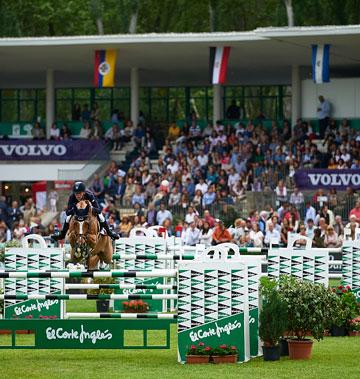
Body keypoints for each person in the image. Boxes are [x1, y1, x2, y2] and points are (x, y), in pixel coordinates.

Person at [51, 181, 119, 241]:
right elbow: (68, 212)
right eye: (76, 193)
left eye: (79, 193)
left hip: (88, 213)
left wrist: (90, 208)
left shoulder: (89, 195)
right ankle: (62, 235)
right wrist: (75, 209)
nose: (78, 196)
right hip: (77, 214)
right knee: (68, 217)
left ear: (83, 192)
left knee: (101, 216)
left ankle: (110, 233)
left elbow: (98, 210)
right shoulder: (72, 197)